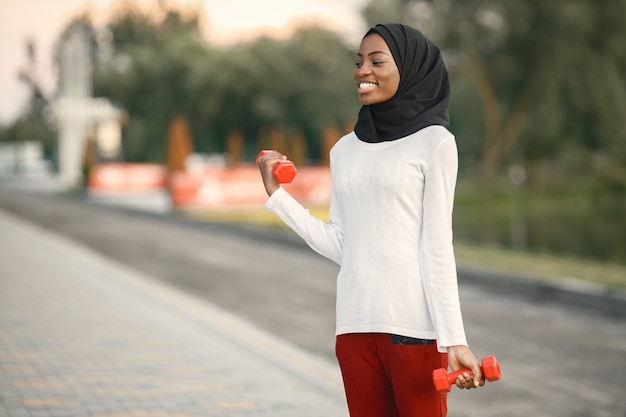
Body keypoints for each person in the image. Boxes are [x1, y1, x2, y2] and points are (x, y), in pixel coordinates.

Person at [257, 23, 484, 417]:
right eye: (359, 61)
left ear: (410, 69)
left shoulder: (435, 143)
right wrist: (278, 197)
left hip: (415, 331)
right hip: (354, 328)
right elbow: (341, 242)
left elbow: (436, 249)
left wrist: (454, 340)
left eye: (377, 61)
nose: (363, 71)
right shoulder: (345, 149)